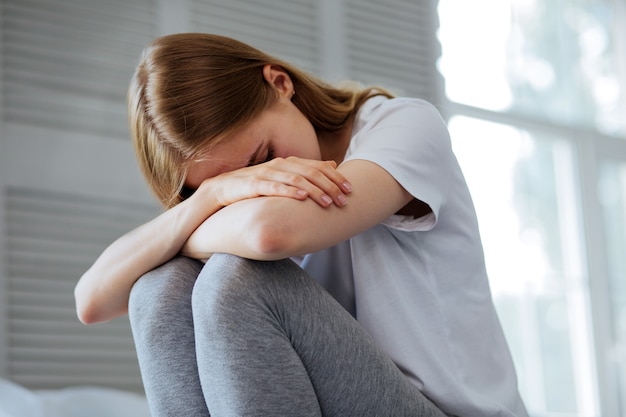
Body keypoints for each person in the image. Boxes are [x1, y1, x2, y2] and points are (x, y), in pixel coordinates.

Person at [74, 33, 528, 417]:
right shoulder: (228, 199)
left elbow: (270, 233)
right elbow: (92, 301)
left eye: (261, 162)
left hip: (444, 411)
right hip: (343, 397)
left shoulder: (404, 126)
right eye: (242, 186)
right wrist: (211, 198)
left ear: (280, 84)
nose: (263, 187)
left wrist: (200, 216)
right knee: (161, 285)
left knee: (234, 281)